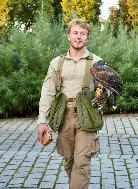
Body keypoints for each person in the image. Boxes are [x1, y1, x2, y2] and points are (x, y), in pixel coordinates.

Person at [37, 19, 103, 189]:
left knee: (81, 163)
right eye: (75, 33)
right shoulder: (56, 63)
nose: (78, 37)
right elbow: (48, 92)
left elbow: (103, 92)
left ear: (87, 38)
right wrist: (42, 121)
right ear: (69, 36)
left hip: (86, 117)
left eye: (82, 33)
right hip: (63, 116)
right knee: (69, 161)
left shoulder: (97, 62)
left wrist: (104, 93)